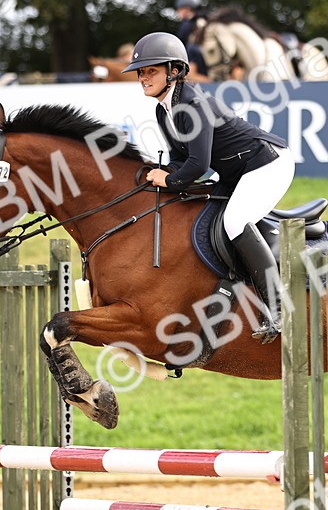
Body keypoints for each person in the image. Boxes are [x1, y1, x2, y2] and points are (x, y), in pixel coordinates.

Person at [122, 32, 294, 343]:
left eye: (151, 71)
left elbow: (199, 165)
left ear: (174, 71)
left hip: (267, 164)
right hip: (237, 171)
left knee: (235, 222)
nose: (143, 78)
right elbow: (180, 158)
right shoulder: (164, 110)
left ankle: (279, 309)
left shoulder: (193, 103)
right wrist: (159, 172)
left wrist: (171, 180)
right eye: (141, 72)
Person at [173, 0, 210, 77]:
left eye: (180, 9)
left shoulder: (191, 23)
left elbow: (180, 40)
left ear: (187, 9)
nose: (178, 12)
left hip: (197, 58)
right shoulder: (204, 19)